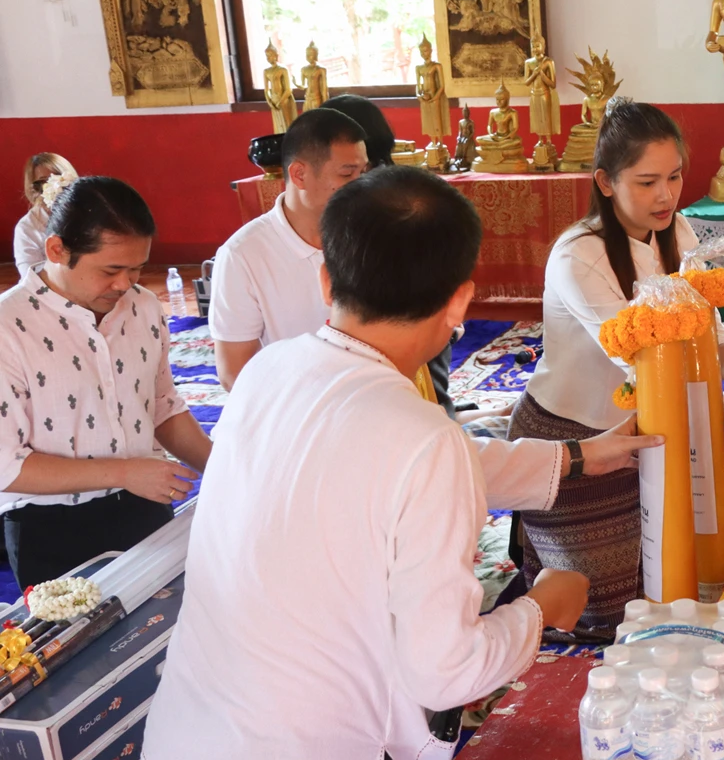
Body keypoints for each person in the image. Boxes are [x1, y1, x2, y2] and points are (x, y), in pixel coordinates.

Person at [143, 166, 658, 760]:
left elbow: (393, 465)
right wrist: (546, 603)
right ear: (460, 303)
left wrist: (578, 455)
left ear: (325, 280)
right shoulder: (420, 440)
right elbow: (448, 671)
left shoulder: (268, 373)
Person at [510, 99, 724, 636]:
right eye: (647, 181)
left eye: (674, 177)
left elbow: (709, 337)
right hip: (580, 443)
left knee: (688, 589)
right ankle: (535, 548)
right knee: (614, 618)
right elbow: (639, 361)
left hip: (656, 428)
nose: (666, 196)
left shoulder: (678, 234)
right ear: (606, 183)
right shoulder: (577, 256)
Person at [0, 177, 213, 587]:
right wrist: (126, 472)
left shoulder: (143, 306)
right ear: (57, 250)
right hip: (50, 522)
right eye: (111, 270)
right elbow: (6, 466)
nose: (125, 284)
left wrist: (221, 467)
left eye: (137, 268)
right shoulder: (10, 326)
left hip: (143, 499)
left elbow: (163, 406)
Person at [208, 107, 368, 391]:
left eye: (363, 172)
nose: (362, 186)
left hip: (369, 394)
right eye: (347, 173)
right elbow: (234, 373)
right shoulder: (243, 255)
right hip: (292, 406)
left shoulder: (371, 232)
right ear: (299, 175)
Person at [323, 93, 459, 418]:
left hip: (405, 324)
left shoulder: (371, 199)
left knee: (425, 412)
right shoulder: (400, 187)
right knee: (431, 410)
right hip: (426, 320)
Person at [14, 152, 78, 274]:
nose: (55, 187)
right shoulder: (27, 227)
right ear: (33, 189)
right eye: (44, 182)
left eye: (61, 179)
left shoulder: (91, 213)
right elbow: (30, 274)